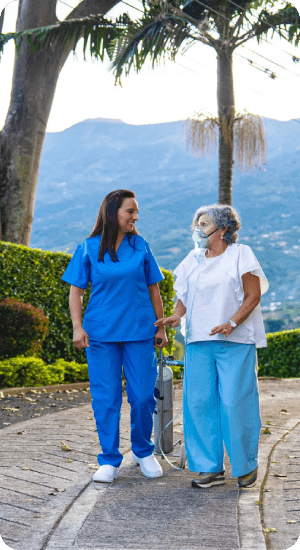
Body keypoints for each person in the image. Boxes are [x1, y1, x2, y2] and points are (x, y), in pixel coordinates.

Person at [155, 204, 269, 489]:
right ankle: (209, 468)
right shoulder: (193, 258)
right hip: (198, 340)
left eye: (203, 224)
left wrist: (231, 322)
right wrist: (176, 316)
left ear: (223, 229)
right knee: (199, 403)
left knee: (235, 402)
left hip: (235, 340)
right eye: (197, 224)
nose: (198, 230)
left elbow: (253, 296)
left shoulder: (241, 254)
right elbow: (184, 294)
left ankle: (245, 466)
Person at [61, 189, 168, 482]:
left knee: (144, 395)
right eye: (129, 212)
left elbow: (154, 288)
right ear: (113, 213)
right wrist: (77, 326)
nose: (135, 217)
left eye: (136, 213)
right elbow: (76, 291)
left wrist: (161, 327)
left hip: (139, 331)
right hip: (100, 334)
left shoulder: (141, 246)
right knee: (106, 398)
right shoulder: (87, 247)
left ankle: (143, 451)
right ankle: (109, 459)